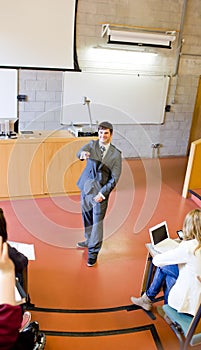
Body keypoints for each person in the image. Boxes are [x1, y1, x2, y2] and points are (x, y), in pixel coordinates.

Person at [131, 209, 201, 316]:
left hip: (190, 299)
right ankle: (158, 305)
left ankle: (149, 299)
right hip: (197, 294)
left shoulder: (188, 247)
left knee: (164, 267)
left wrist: (172, 251)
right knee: (169, 275)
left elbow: (156, 261)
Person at [76, 121, 122, 267]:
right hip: (86, 189)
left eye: (106, 133)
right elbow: (80, 153)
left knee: (97, 223)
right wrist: (82, 155)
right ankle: (88, 239)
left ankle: (93, 252)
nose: (103, 135)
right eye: (101, 133)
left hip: (100, 193)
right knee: (87, 217)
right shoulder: (91, 145)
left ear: (111, 134)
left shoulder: (116, 154)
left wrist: (103, 194)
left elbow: (115, 178)